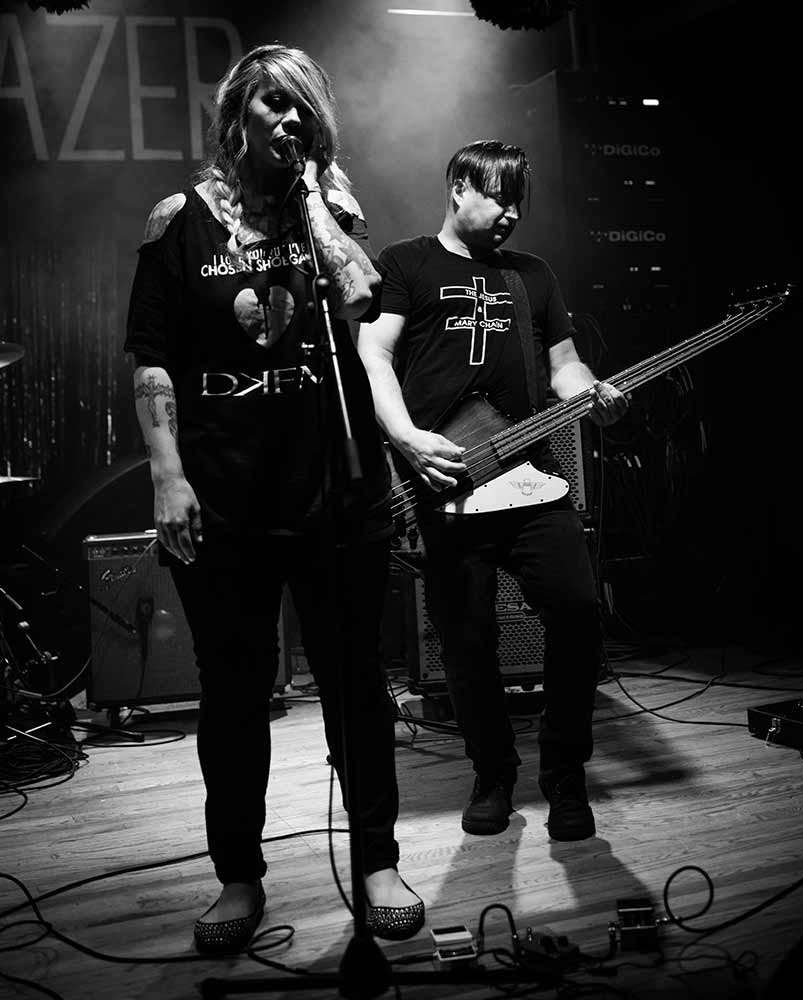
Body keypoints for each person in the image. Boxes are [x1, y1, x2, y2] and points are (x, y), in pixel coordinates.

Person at [123, 43, 424, 954]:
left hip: (334, 489)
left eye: (304, 109)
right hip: (223, 494)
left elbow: (363, 300)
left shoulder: (330, 209)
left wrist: (317, 198)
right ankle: (238, 876)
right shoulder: (178, 222)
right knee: (233, 692)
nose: (290, 121)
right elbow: (152, 358)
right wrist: (168, 475)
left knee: (356, 684)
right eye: (274, 106)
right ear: (237, 116)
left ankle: (377, 861)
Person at [358, 139, 628, 842]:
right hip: (447, 479)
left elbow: (565, 367)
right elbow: (374, 355)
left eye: (519, 202)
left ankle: (564, 776)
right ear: (458, 187)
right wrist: (407, 439)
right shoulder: (406, 263)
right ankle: (493, 774)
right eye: (499, 198)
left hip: (531, 477)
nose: (512, 213)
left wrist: (593, 394)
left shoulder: (533, 274)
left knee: (577, 615)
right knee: (466, 638)